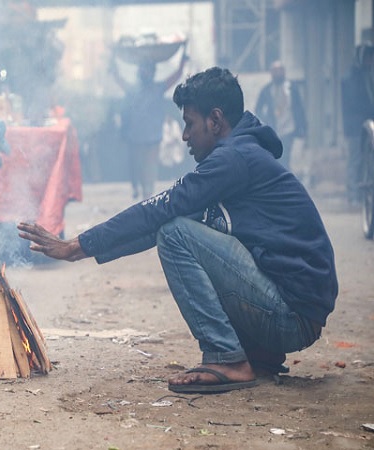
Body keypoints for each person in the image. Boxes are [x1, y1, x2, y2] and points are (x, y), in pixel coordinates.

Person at [18, 67, 337, 394]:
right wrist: (83, 248)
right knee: (174, 227)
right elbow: (152, 221)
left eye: (190, 124)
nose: (185, 136)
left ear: (215, 121)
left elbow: (160, 211)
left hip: (290, 318)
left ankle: (227, 359)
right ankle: (257, 353)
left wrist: (76, 246)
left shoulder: (234, 159)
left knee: (176, 233)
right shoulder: (238, 156)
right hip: (294, 314)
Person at [111, 48, 188, 199]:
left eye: (149, 70)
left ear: (152, 72)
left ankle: (147, 193)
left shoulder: (158, 88)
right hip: (135, 136)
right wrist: (113, 61)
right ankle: (137, 188)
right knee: (136, 166)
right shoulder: (133, 89)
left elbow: (176, 76)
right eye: (144, 69)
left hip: (153, 136)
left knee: (150, 166)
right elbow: (118, 78)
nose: (146, 72)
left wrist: (182, 59)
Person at [255, 60, 307, 170]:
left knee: (285, 156)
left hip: (289, 128)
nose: (277, 73)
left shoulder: (292, 88)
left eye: (280, 70)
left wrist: (303, 127)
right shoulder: (267, 90)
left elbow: (299, 108)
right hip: (274, 129)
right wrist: (265, 120)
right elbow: (258, 108)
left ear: (284, 72)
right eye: (275, 71)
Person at [341, 43, 374, 206]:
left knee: (365, 161)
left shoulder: (367, 76)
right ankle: (353, 194)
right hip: (355, 127)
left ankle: (362, 196)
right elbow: (355, 103)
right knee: (355, 160)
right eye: (368, 58)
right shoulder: (351, 78)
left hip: (366, 126)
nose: (370, 61)